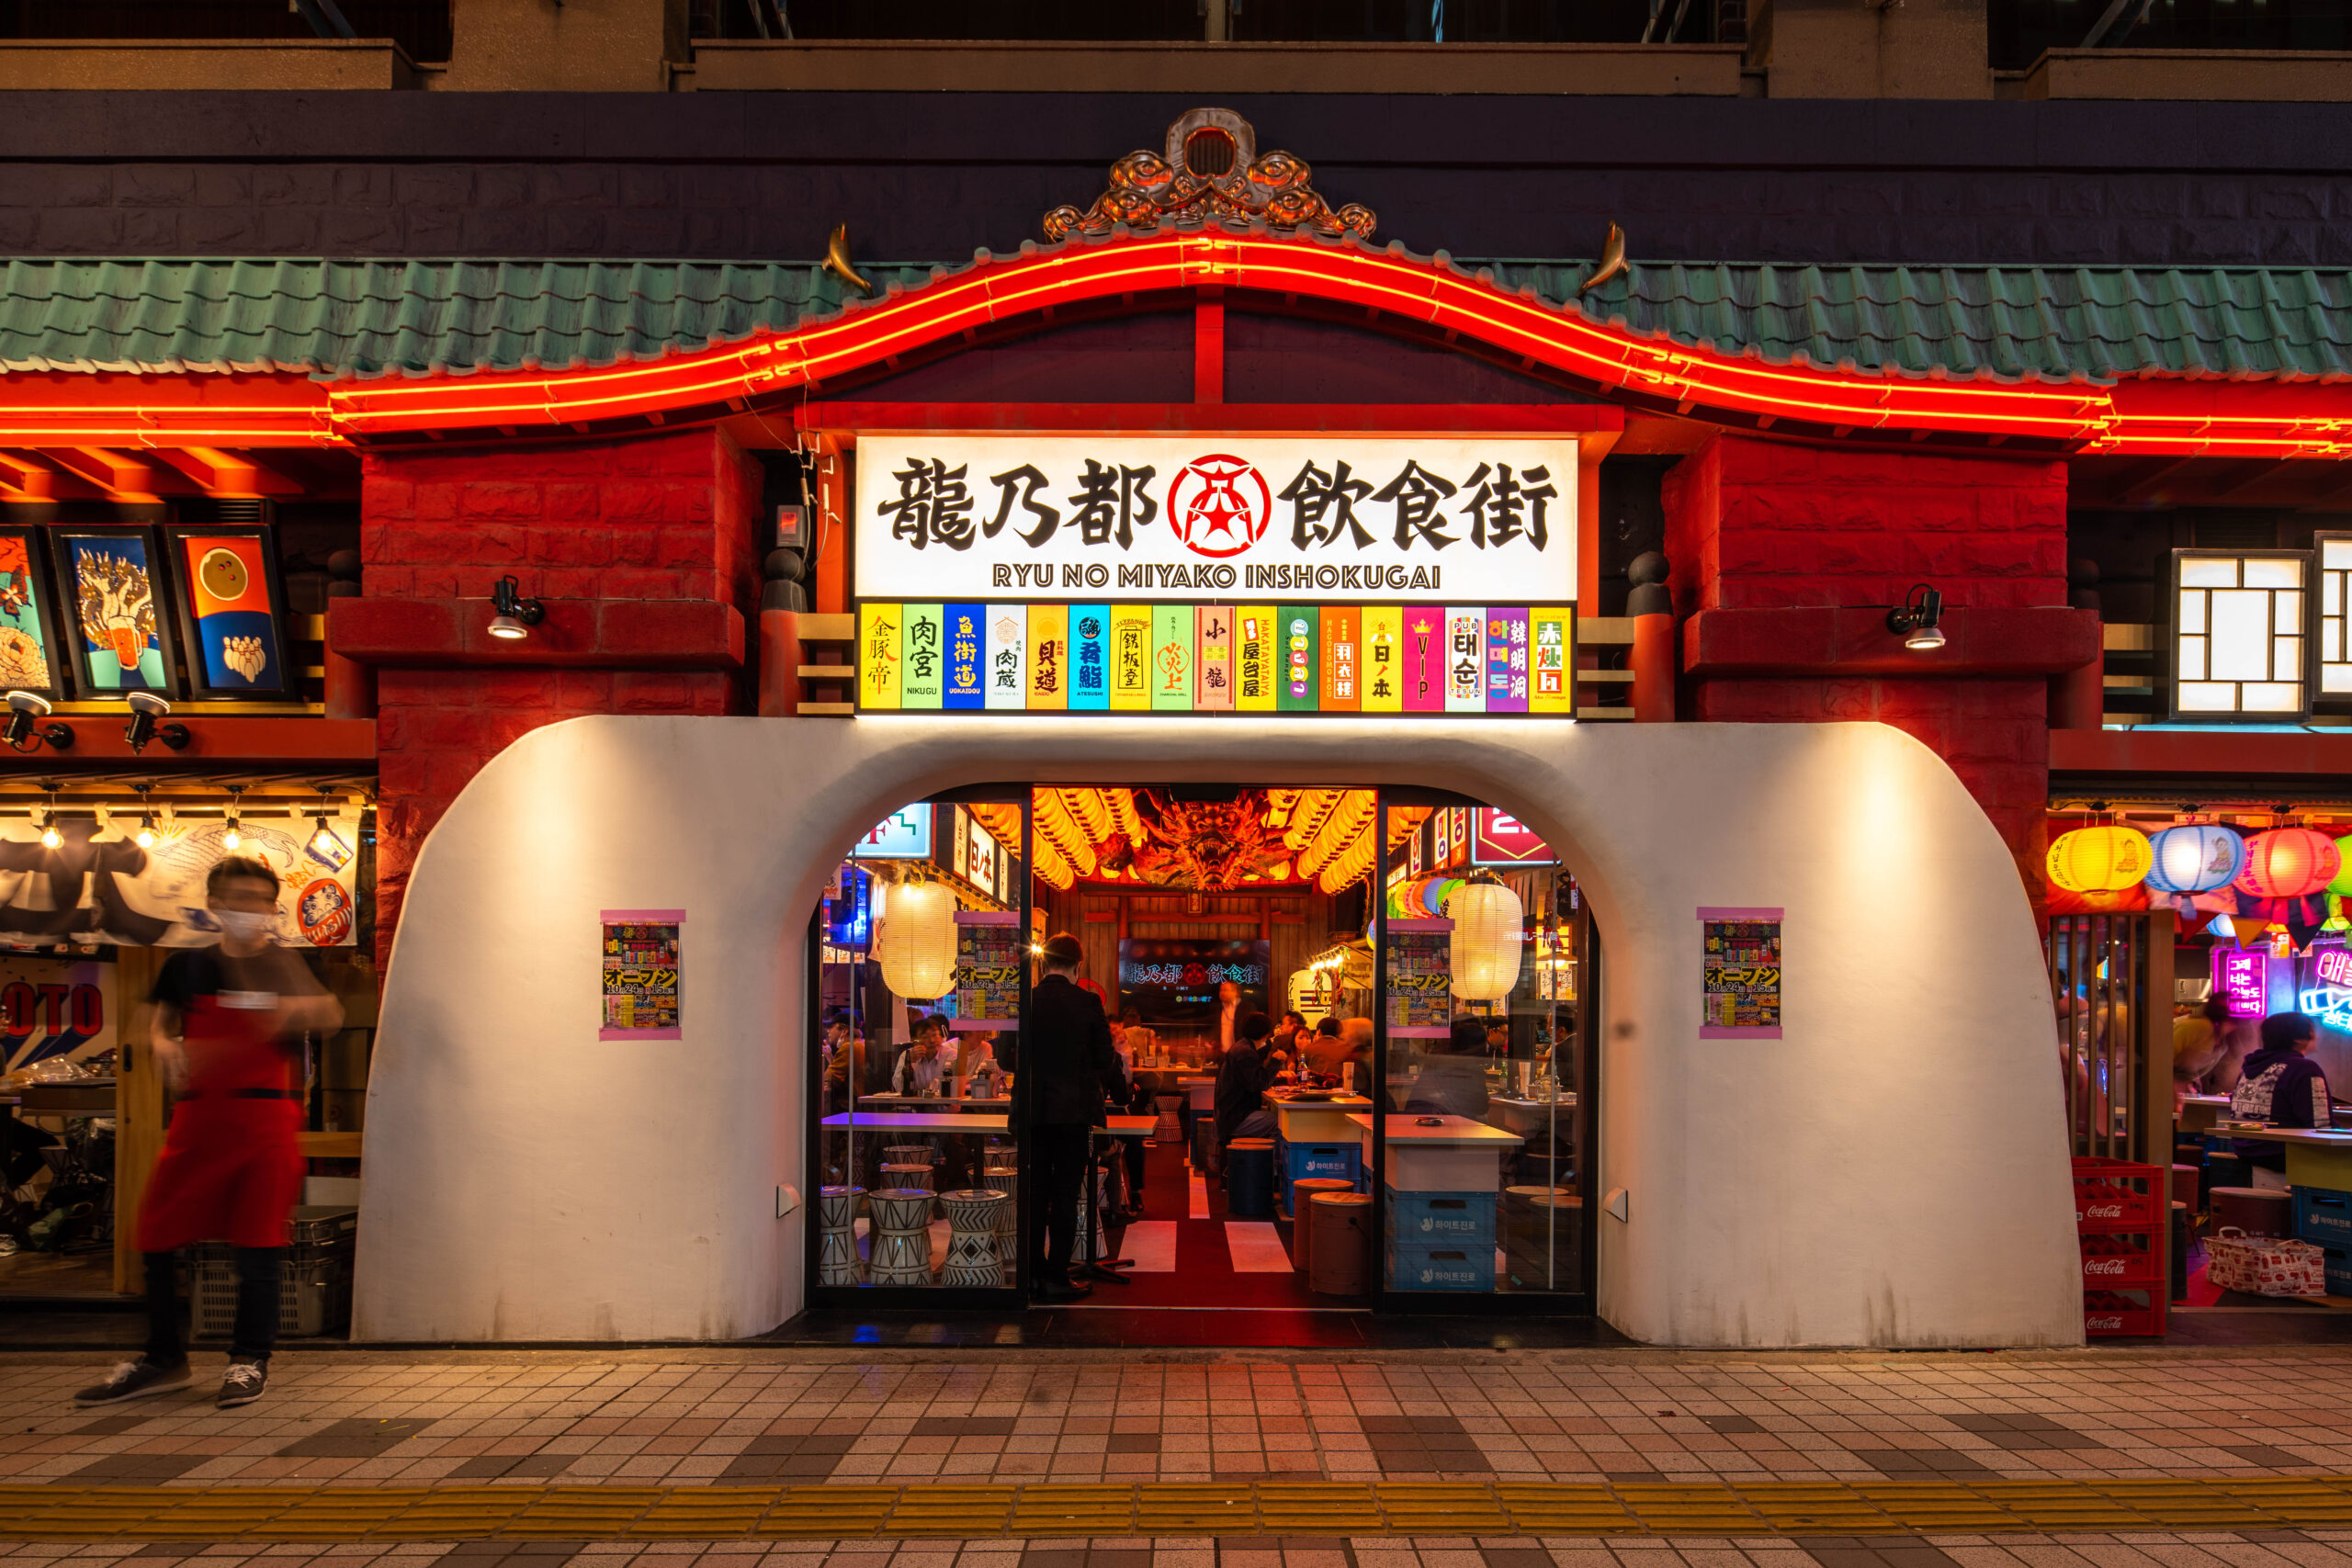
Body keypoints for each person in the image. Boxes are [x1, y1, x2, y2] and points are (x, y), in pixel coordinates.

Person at [77, 856, 344, 1410]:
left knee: (259, 1244)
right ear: (215, 905)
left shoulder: (283, 964)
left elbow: (330, 1014)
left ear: (273, 909)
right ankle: (163, 1358)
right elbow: (152, 1024)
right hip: (197, 1121)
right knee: (155, 1234)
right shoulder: (186, 967)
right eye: (236, 898)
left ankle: (249, 1359)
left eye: (258, 900)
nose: (248, 909)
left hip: (266, 1121)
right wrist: (163, 1042)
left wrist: (287, 1009)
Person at [1026, 932, 1124, 1301]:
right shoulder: (1088, 1002)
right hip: (1074, 1113)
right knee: (1066, 1194)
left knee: (1035, 1193)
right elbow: (1103, 1059)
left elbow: (1006, 1058)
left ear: (1043, 962)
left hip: (1034, 1111)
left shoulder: (1026, 999)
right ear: (1078, 966)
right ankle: (1056, 1278)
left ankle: (1031, 1276)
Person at [2232, 1011, 2336, 1190]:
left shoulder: (2251, 1067)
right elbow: (2321, 1124)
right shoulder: (2304, 1068)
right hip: (2283, 1153)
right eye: (2312, 1030)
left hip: (2245, 1149)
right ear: (2299, 1038)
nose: (2316, 1035)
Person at [1215, 1010, 1284, 1153]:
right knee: (1281, 1123)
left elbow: (1255, 1078)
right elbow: (1260, 1084)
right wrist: (1276, 1061)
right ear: (1266, 1033)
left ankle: (1263, 1165)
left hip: (1230, 1114)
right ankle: (1268, 1169)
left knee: (1276, 1119)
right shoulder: (1245, 1053)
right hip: (1235, 1119)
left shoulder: (1242, 1047)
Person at [1404, 1016, 1493, 1119]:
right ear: (1476, 1046)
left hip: (1426, 1119)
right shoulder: (1469, 1069)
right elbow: (1481, 1107)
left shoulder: (1440, 1058)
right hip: (1448, 1123)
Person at [2172, 996, 2230, 1109]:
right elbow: (2160, 1057)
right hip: (2165, 1085)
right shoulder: (2199, 1026)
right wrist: (2172, 1092)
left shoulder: (2223, 1043)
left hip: (2186, 1088)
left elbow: (2198, 1071)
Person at [890, 1014, 955, 1095]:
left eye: (935, 1035)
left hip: (944, 1106)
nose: (932, 1040)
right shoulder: (907, 1055)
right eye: (925, 1037)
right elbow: (898, 1087)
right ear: (914, 1041)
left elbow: (955, 1086)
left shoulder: (951, 1055)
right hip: (915, 1106)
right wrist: (911, 1062)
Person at [1216, 980, 1242, 1059]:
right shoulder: (1217, 1008)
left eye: (1225, 990)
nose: (1222, 993)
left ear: (1236, 992)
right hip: (1222, 1054)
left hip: (1240, 1054)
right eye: (1221, 990)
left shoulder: (1246, 1007)